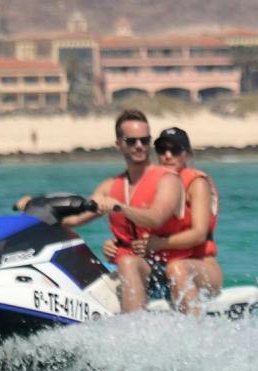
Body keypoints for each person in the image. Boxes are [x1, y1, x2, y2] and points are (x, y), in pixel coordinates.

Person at [20, 108, 184, 312]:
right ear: (119, 144)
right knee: (71, 246)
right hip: (129, 269)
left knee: (127, 262)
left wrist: (121, 208)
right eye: (132, 141)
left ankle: (133, 330)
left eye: (145, 140)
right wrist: (35, 206)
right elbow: (73, 220)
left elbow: (156, 218)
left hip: (166, 270)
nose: (140, 146)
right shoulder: (110, 186)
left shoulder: (167, 179)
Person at [141, 126, 225, 314]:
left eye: (175, 150)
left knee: (177, 268)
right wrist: (115, 245)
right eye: (162, 150)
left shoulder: (197, 184)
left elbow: (199, 234)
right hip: (158, 268)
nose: (168, 156)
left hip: (201, 268)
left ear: (186, 154)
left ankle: (193, 334)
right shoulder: (152, 185)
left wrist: (159, 244)